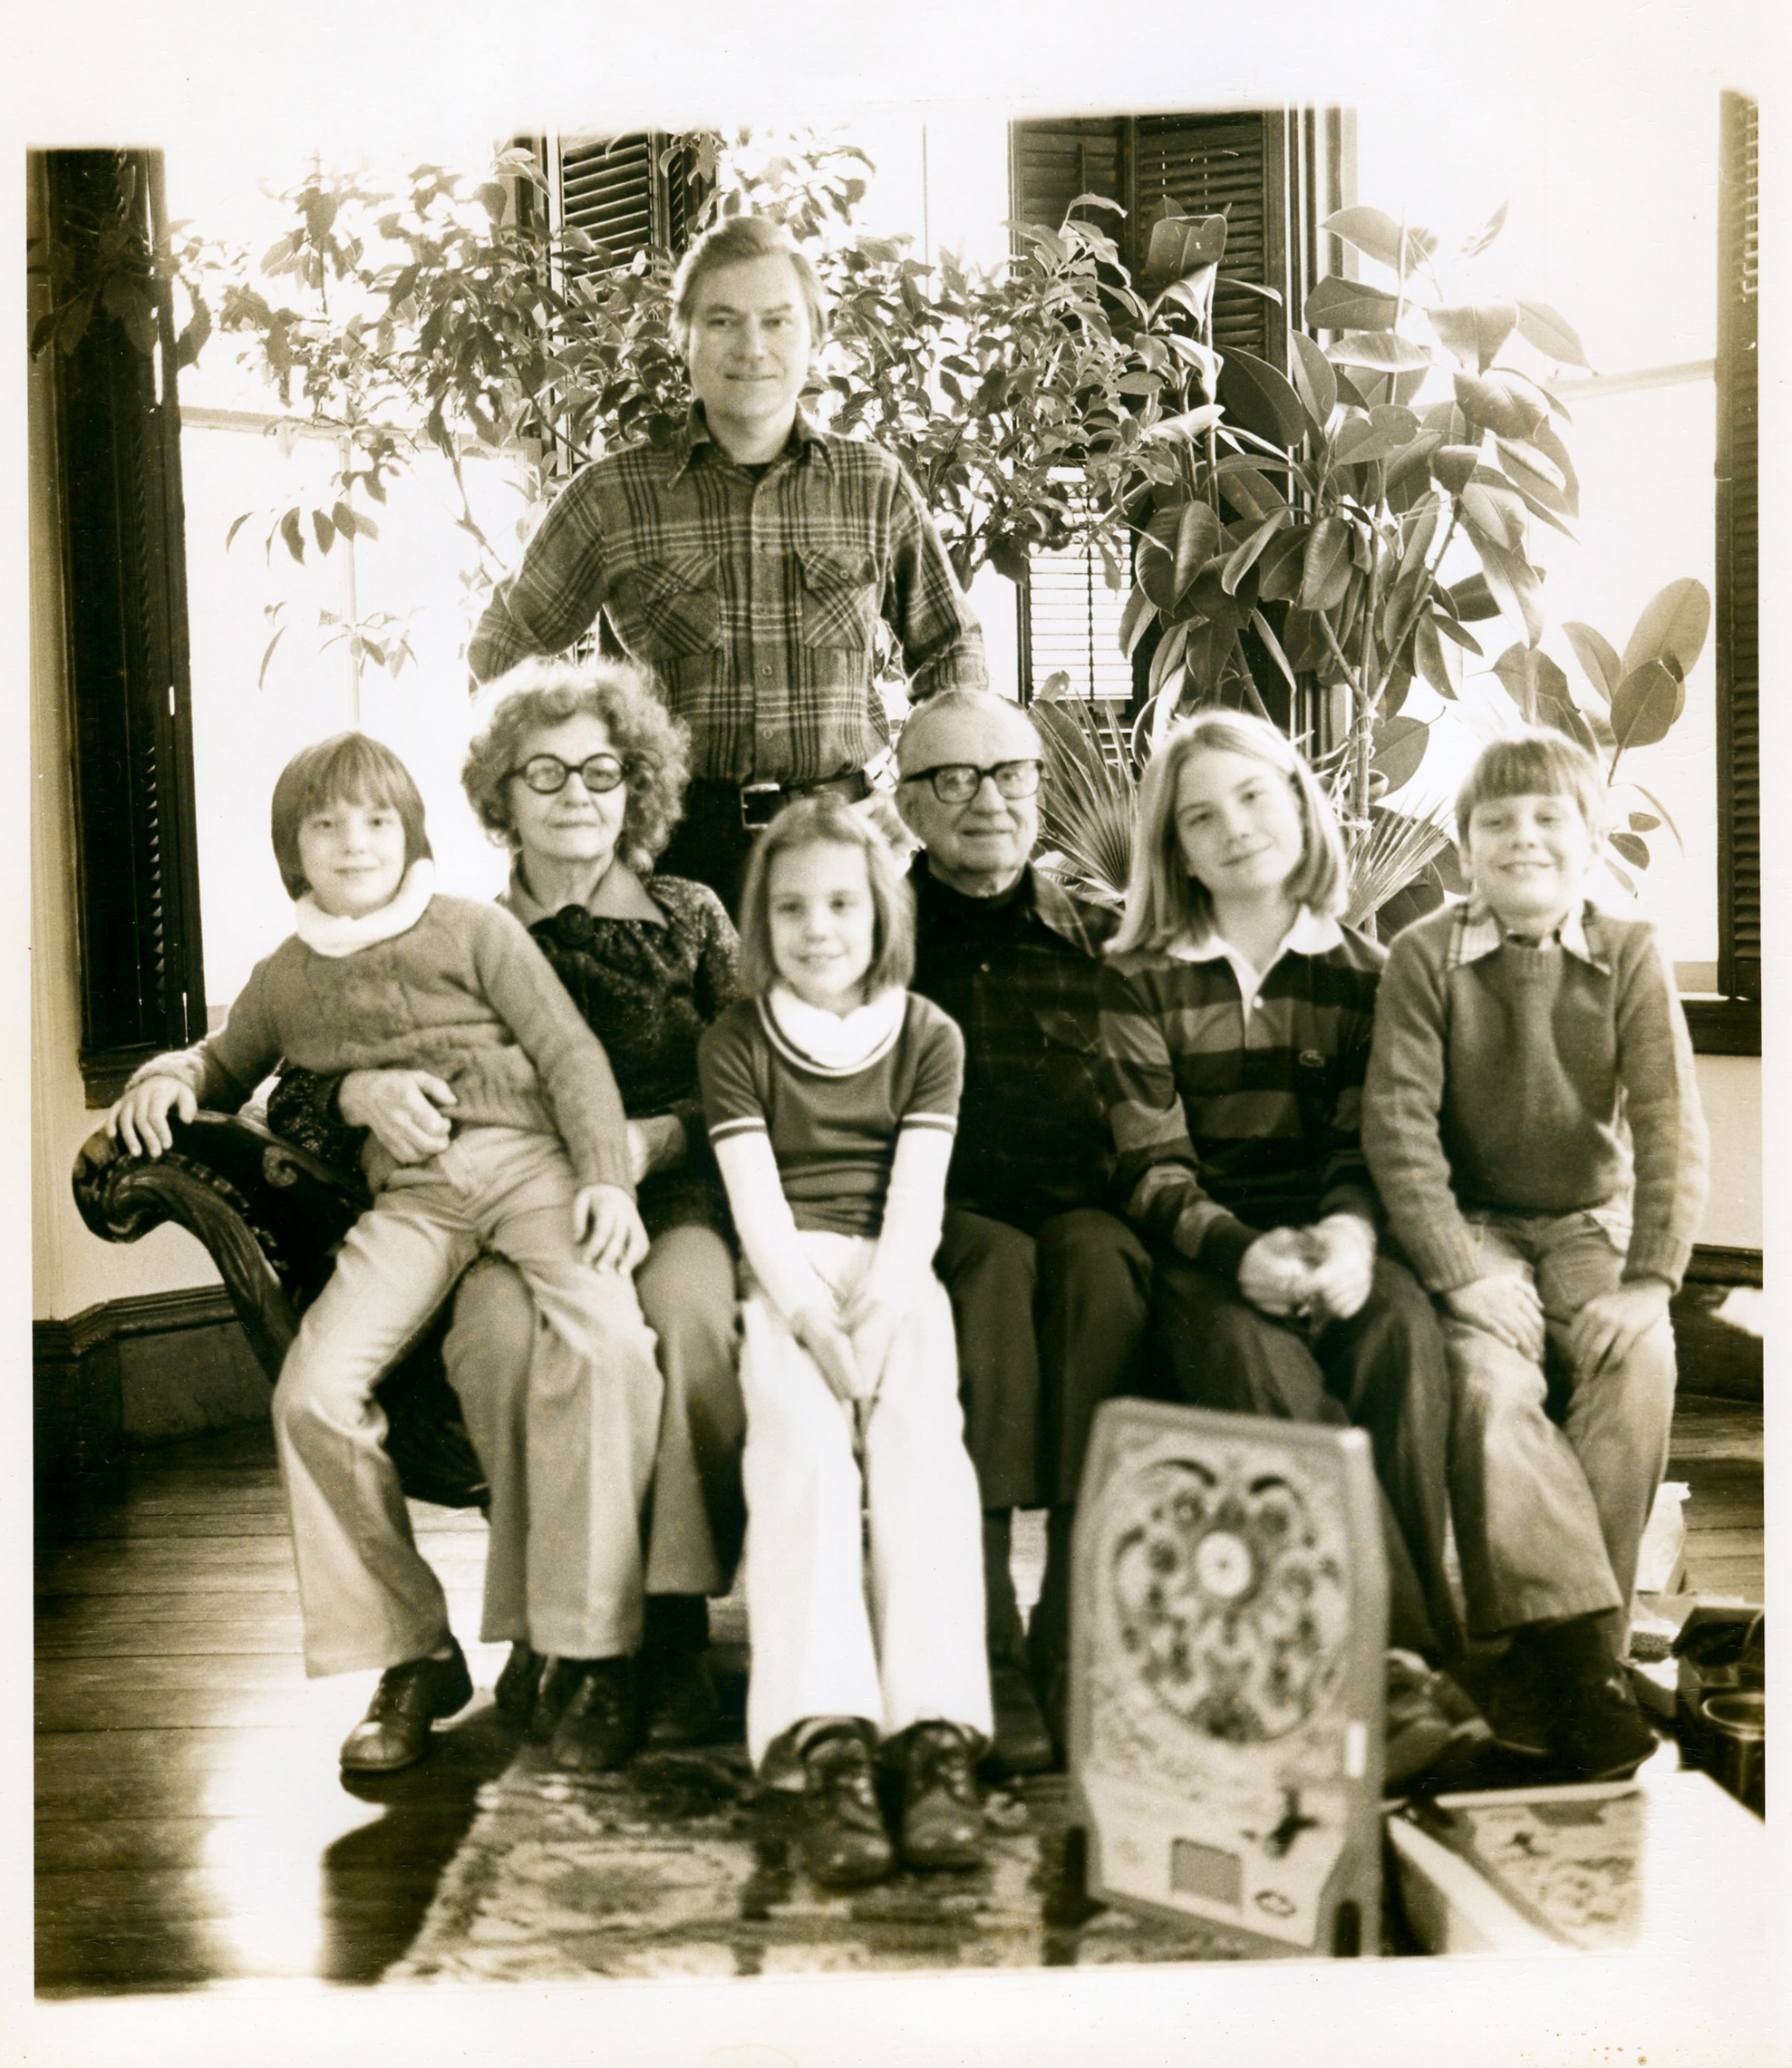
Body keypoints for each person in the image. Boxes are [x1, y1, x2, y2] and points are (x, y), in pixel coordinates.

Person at [108, 733, 664, 1777]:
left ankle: (599, 1647)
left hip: (533, 1164)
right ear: (293, 851)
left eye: (375, 820)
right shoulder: (288, 973)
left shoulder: (473, 927)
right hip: (411, 1199)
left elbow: (567, 1053)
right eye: (325, 824)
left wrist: (602, 1177)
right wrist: (165, 1073)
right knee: (312, 1393)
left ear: (410, 834)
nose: (352, 842)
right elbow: (227, 1064)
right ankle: (413, 1650)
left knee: (613, 1349)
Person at [268, 659, 747, 1768]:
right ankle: (555, 1627)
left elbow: (749, 1073)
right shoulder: (444, 923)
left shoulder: (692, 915)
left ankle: (665, 1622)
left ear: (638, 788)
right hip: (499, 1199)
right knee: (498, 1339)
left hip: (665, 1192)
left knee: (683, 1318)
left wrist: (651, 1141)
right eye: (545, 774)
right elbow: (295, 1059)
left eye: (602, 771)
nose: (577, 794)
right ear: (500, 797)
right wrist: (359, 1093)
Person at [1098, 712, 1480, 1780]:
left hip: (1335, 1230)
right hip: (1203, 1250)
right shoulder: (1137, 975)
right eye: (1200, 816)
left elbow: (1369, 1141)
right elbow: (1149, 1168)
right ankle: (1391, 1672)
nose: (1234, 828)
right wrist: (1242, 1257)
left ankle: (1405, 1666)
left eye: (1255, 795)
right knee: (1257, 1361)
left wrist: (1352, 1239)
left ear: (1301, 802)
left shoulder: (1366, 971)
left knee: (1403, 1335)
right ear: (1173, 848)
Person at [466, 212, 988, 913]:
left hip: (841, 847)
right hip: (668, 860)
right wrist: (577, 788)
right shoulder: (612, 496)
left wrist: (917, 796)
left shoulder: (875, 484)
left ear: (814, 337)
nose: (751, 347)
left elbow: (951, 645)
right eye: (721, 321)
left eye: (777, 321)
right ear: (683, 338)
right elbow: (503, 648)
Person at [1363, 729, 1709, 1780]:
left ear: (1591, 836)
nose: (1524, 838)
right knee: (1483, 1377)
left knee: (1638, 1363)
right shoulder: (1424, 954)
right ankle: (1579, 1660)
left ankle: (1580, 1658)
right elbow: (1397, 1125)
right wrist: (1458, 1268)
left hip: (1584, 1227)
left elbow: (1670, 1123)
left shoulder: (1633, 951)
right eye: (1497, 821)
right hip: (1470, 1227)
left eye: (1549, 817)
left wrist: (1650, 1281)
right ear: (1465, 845)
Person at [697, 797, 991, 1888]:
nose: (817, 929)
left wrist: (874, 1315)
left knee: (923, 1450)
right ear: (760, 922)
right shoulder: (734, 1040)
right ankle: (828, 1740)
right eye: (790, 908)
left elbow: (917, 1203)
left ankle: (936, 1731)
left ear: (881, 913)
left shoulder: (928, 1037)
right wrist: (817, 1325)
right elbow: (756, 1209)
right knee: (804, 1458)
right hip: (790, 1282)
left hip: (893, 1274)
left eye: (840, 904)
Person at [893, 688, 1150, 1771]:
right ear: (907, 803)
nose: (988, 799)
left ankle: (1076, 1613)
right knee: (994, 1268)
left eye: (1010, 774)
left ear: (1039, 786)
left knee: (1098, 1261)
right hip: (935, 1217)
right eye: (954, 778)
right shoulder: (870, 931)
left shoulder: (1104, 931)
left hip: (1081, 1205)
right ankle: (985, 1614)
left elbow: (1148, 1104)